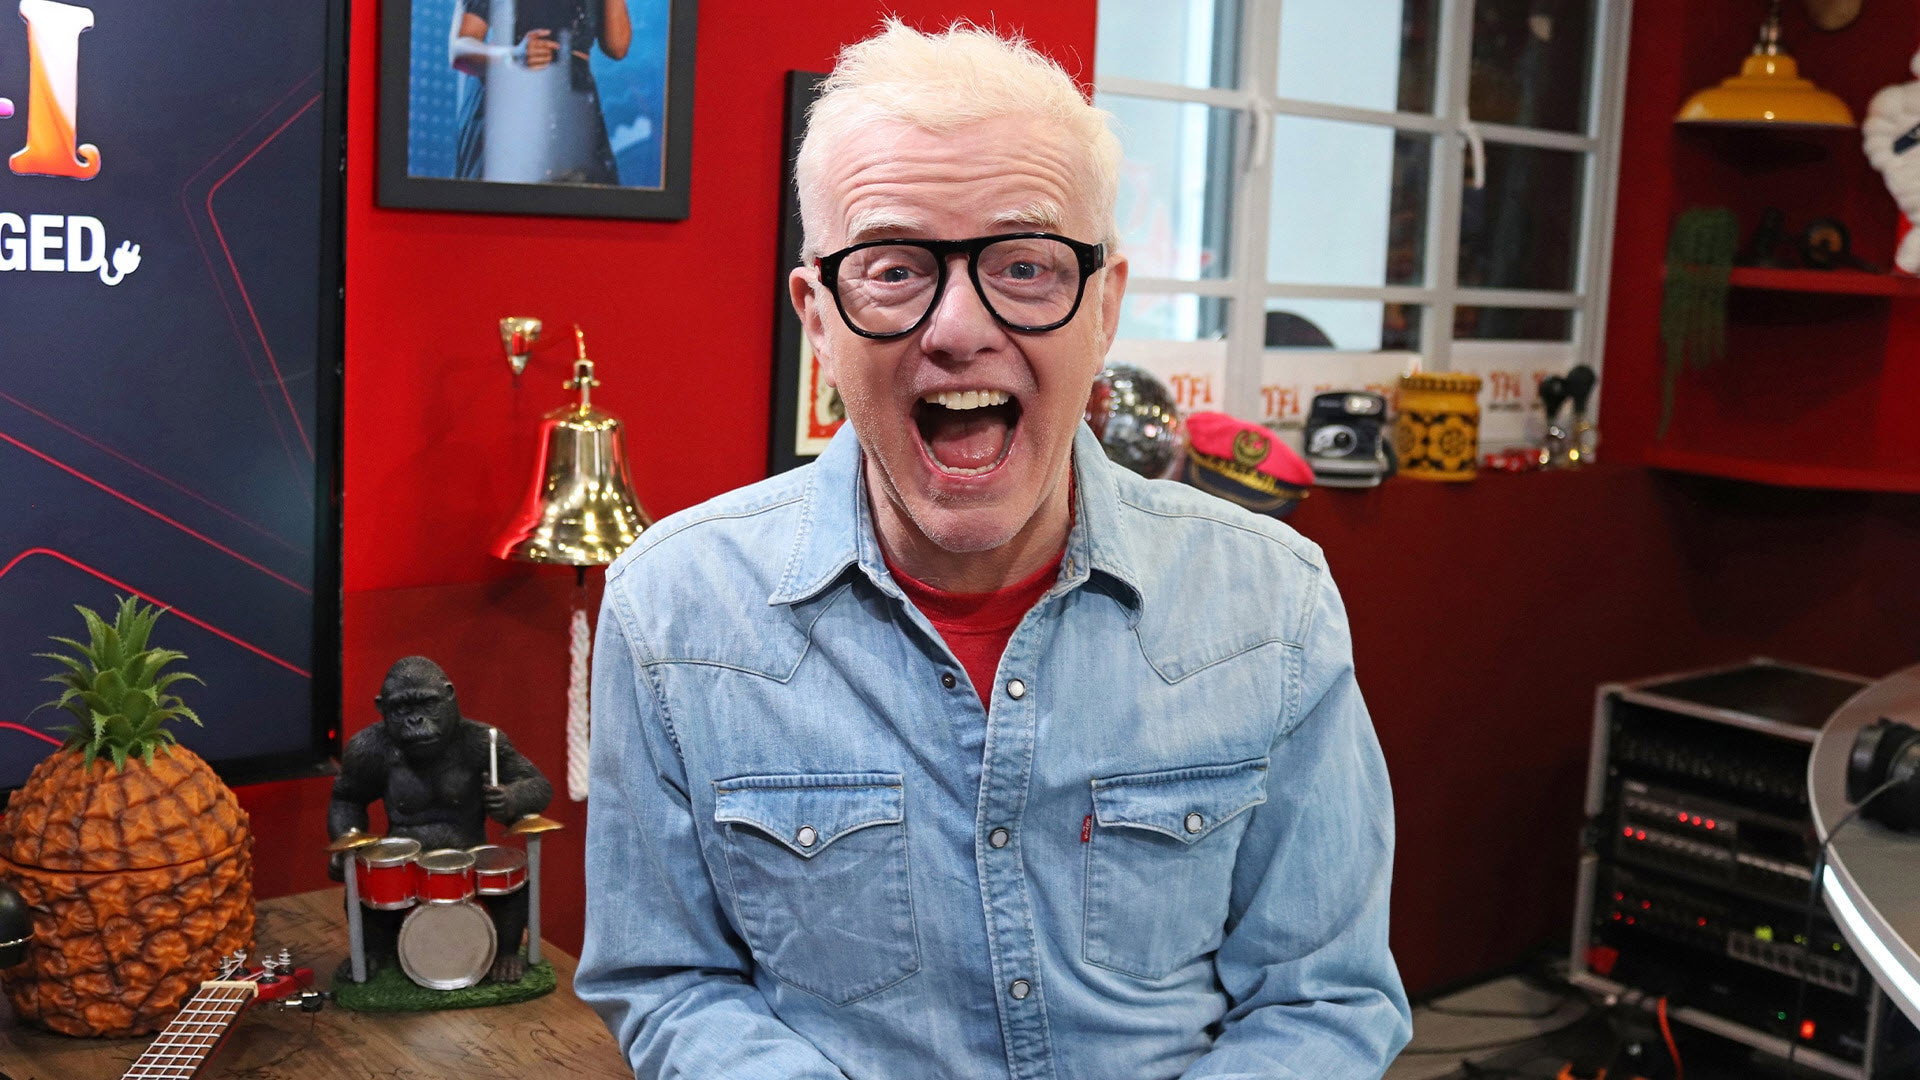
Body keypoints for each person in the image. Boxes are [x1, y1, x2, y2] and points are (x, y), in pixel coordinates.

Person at [575, 19, 1411, 1079]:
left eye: (1024, 266)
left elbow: (1324, 997)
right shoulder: (672, 608)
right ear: (818, 318)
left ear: (1104, 307)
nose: (958, 329)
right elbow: (670, 980)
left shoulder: (1270, 601)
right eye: (893, 268)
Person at [449, 0, 629, 183]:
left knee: (579, 197)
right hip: (512, 100)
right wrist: (513, 56)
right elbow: (460, 49)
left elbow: (617, 47)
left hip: (573, 106)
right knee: (509, 195)